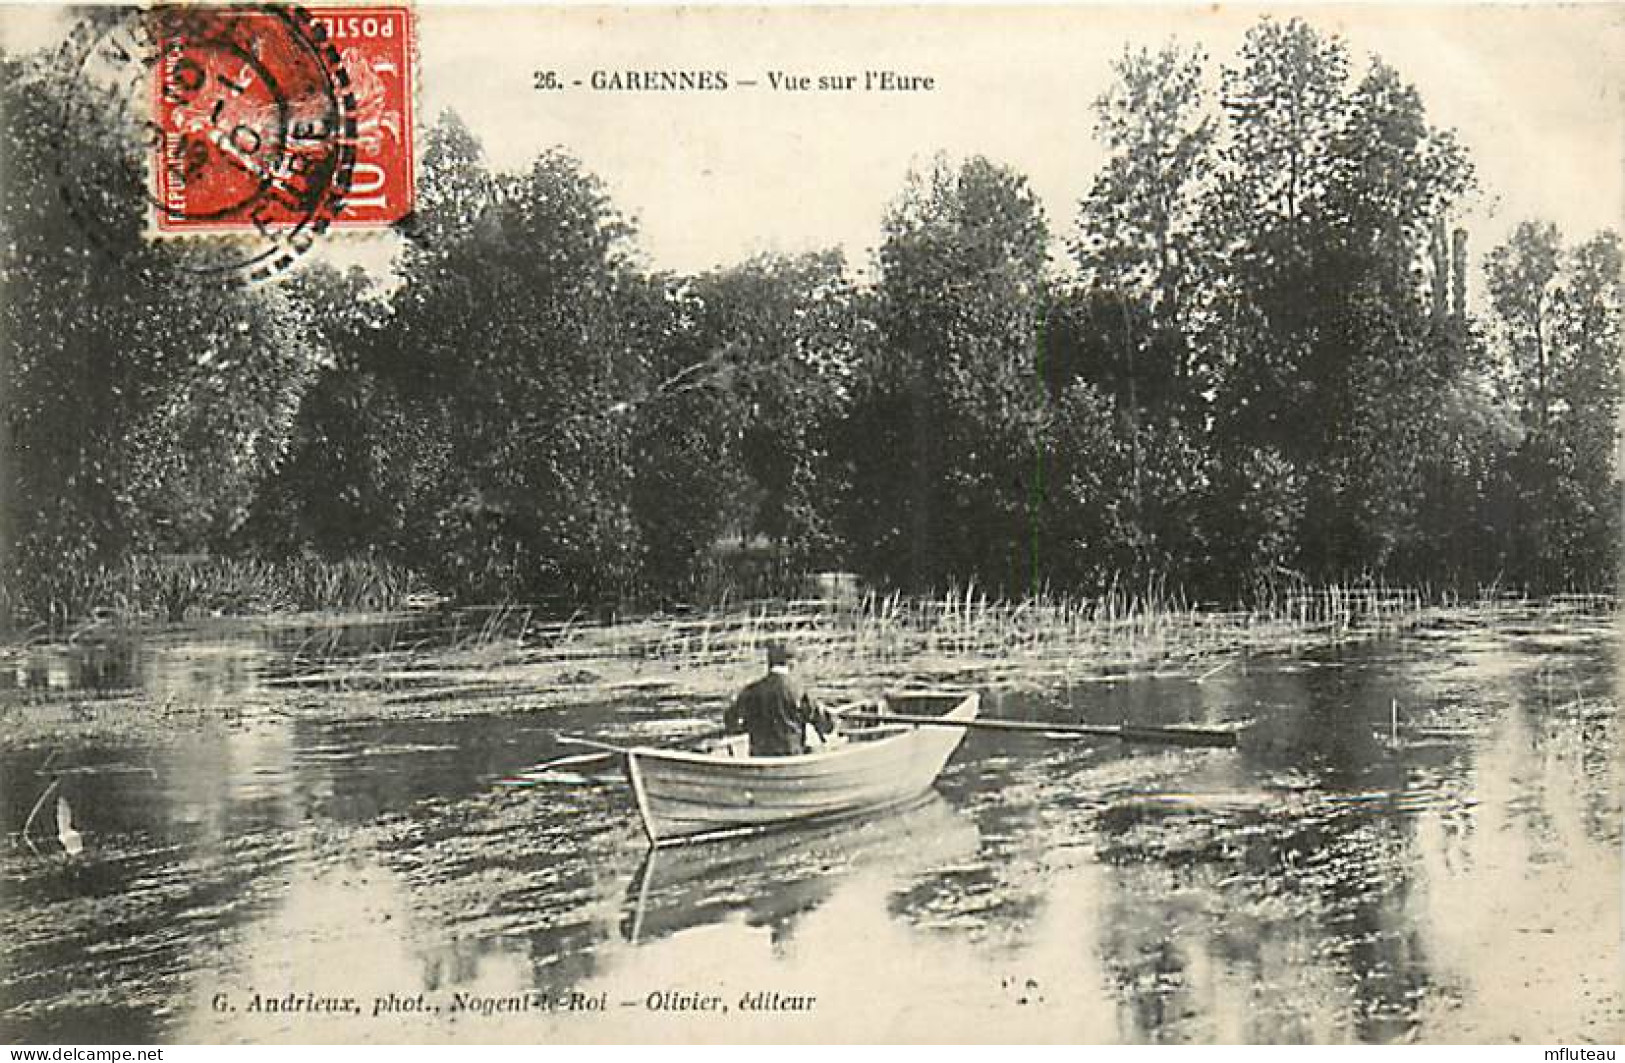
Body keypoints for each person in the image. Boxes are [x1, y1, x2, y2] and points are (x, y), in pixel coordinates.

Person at [725, 642, 835, 756]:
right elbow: (821, 721)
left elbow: (730, 719)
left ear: (769, 663)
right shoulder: (798, 690)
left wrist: (748, 726)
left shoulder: (751, 690)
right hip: (791, 755)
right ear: (791, 664)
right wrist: (829, 726)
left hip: (760, 755)